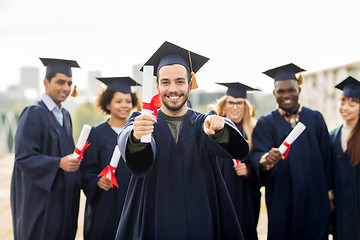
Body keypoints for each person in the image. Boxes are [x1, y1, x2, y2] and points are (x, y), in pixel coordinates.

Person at [116, 41, 249, 240]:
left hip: (201, 223)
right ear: (157, 85)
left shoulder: (204, 123)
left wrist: (221, 128)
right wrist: (136, 137)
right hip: (154, 221)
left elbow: (238, 149)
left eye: (179, 81)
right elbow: (128, 141)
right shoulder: (143, 122)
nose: (173, 89)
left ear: (190, 84)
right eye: (166, 82)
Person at [249, 63, 332, 240]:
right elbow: (256, 155)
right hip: (282, 202)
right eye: (281, 91)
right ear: (274, 93)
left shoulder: (315, 119)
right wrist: (265, 160)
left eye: (291, 90)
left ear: (299, 90)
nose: (286, 95)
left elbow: (327, 158)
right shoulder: (266, 124)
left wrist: (330, 192)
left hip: (314, 201)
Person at [11, 58, 81, 240]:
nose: (66, 88)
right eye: (60, 82)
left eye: (69, 83)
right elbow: (24, 158)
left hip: (62, 199)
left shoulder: (65, 115)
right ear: (45, 82)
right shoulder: (33, 112)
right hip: (40, 200)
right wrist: (59, 163)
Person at [81, 77, 141, 240]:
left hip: (132, 200)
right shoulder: (96, 133)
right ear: (108, 104)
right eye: (118, 101)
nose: (124, 105)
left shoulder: (137, 133)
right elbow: (86, 171)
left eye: (128, 101)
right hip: (104, 204)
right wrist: (97, 181)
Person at [214, 82, 261, 240]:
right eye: (231, 102)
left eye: (239, 103)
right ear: (225, 105)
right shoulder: (214, 130)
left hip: (244, 198)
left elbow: (260, 165)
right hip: (220, 194)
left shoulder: (254, 132)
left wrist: (249, 172)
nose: (235, 107)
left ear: (246, 106)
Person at [329, 76, 360, 240]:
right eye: (342, 102)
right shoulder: (332, 136)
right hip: (341, 207)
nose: (345, 108)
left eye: (352, 103)